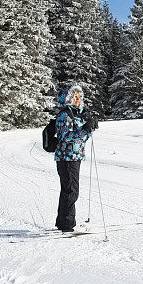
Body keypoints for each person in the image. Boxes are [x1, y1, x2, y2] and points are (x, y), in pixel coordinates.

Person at [54, 84, 98, 232]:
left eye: (80, 97)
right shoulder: (64, 116)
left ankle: (64, 222)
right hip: (66, 158)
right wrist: (84, 129)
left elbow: (81, 139)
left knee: (69, 190)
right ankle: (66, 224)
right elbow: (66, 138)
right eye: (75, 97)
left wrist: (89, 127)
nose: (78, 100)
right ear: (68, 98)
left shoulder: (76, 115)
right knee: (71, 190)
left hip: (74, 157)